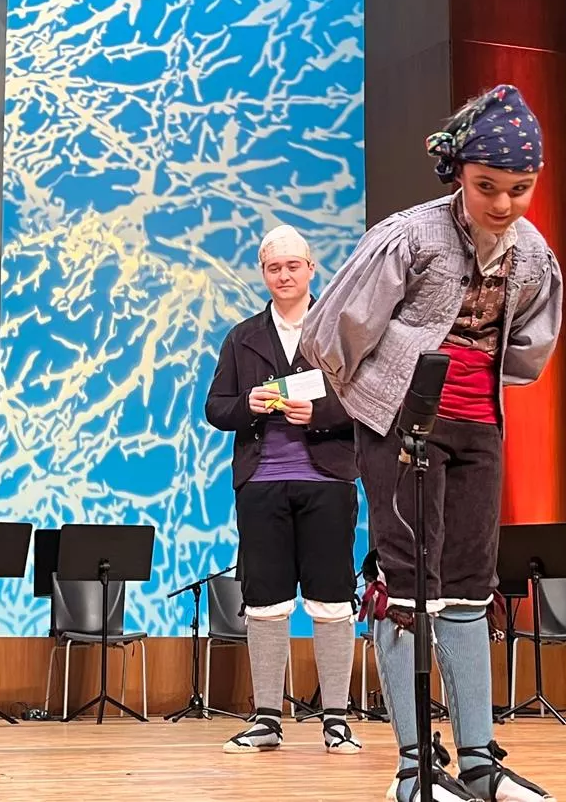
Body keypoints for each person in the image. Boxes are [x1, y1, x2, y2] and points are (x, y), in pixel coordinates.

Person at [300, 85, 563, 802]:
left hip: (480, 426)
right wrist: (374, 402)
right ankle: (415, 766)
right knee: (407, 589)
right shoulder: (412, 236)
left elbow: (529, 346)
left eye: (519, 189)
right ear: (459, 175)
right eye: (487, 187)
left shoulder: (532, 253)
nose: (503, 204)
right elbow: (333, 331)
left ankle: (479, 761)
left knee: (472, 588)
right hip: (404, 427)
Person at [204, 225, 363, 756]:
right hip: (261, 485)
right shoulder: (242, 336)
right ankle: (266, 718)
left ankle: (336, 719)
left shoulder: (339, 331)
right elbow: (215, 408)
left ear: (311, 268)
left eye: (293, 266)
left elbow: (366, 404)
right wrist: (245, 404)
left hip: (327, 483)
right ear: (263, 271)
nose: (284, 275)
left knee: (332, 600)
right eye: (274, 267)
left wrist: (317, 417)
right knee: (265, 602)